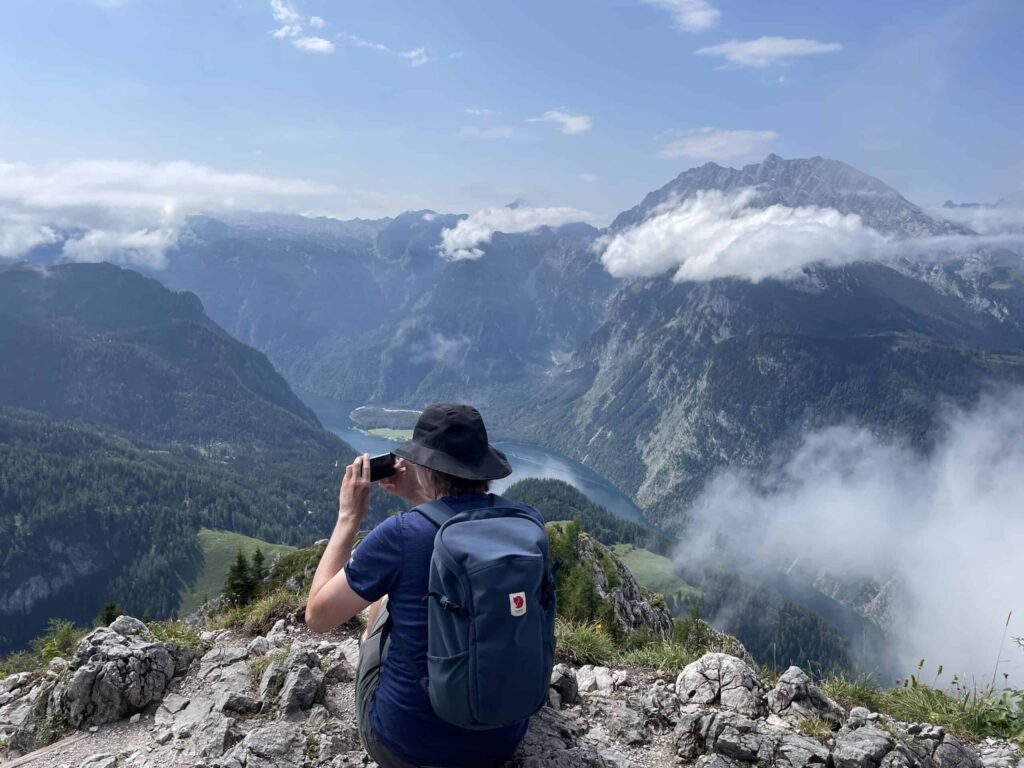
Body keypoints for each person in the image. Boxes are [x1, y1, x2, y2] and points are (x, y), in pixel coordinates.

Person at [305, 403, 543, 768]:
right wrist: (418, 495)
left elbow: (318, 617)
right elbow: (450, 527)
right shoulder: (527, 523)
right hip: (501, 741)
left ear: (427, 470)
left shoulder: (401, 535)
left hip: (407, 749)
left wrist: (348, 517)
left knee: (387, 595)